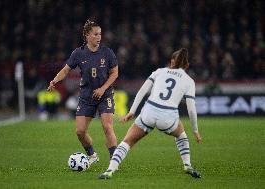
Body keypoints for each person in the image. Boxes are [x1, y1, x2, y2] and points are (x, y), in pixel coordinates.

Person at [99, 48, 202, 179]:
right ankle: (187, 165)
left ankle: (110, 170)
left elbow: (142, 91)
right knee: (181, 135)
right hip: (168, 117)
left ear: (172, 62)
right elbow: (191, 109)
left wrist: (132, 111)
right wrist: (195, 130)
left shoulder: (159, 71)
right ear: (186, 65)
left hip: (149, 112)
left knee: (127, 141)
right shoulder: (189, 81)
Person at [47, 19, 118, 165]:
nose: (99, 37)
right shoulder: (78, 53)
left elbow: (115, 73)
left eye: (100, 34)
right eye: (95, 34)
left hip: (105, 95)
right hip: (86, 96)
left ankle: (114, 161)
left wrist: (103, 88)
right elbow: (66, 70)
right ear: (86, 35)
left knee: (107, 126)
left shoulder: (107, 52)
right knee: (80, 131)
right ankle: (92, 155)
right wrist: (55, 80)